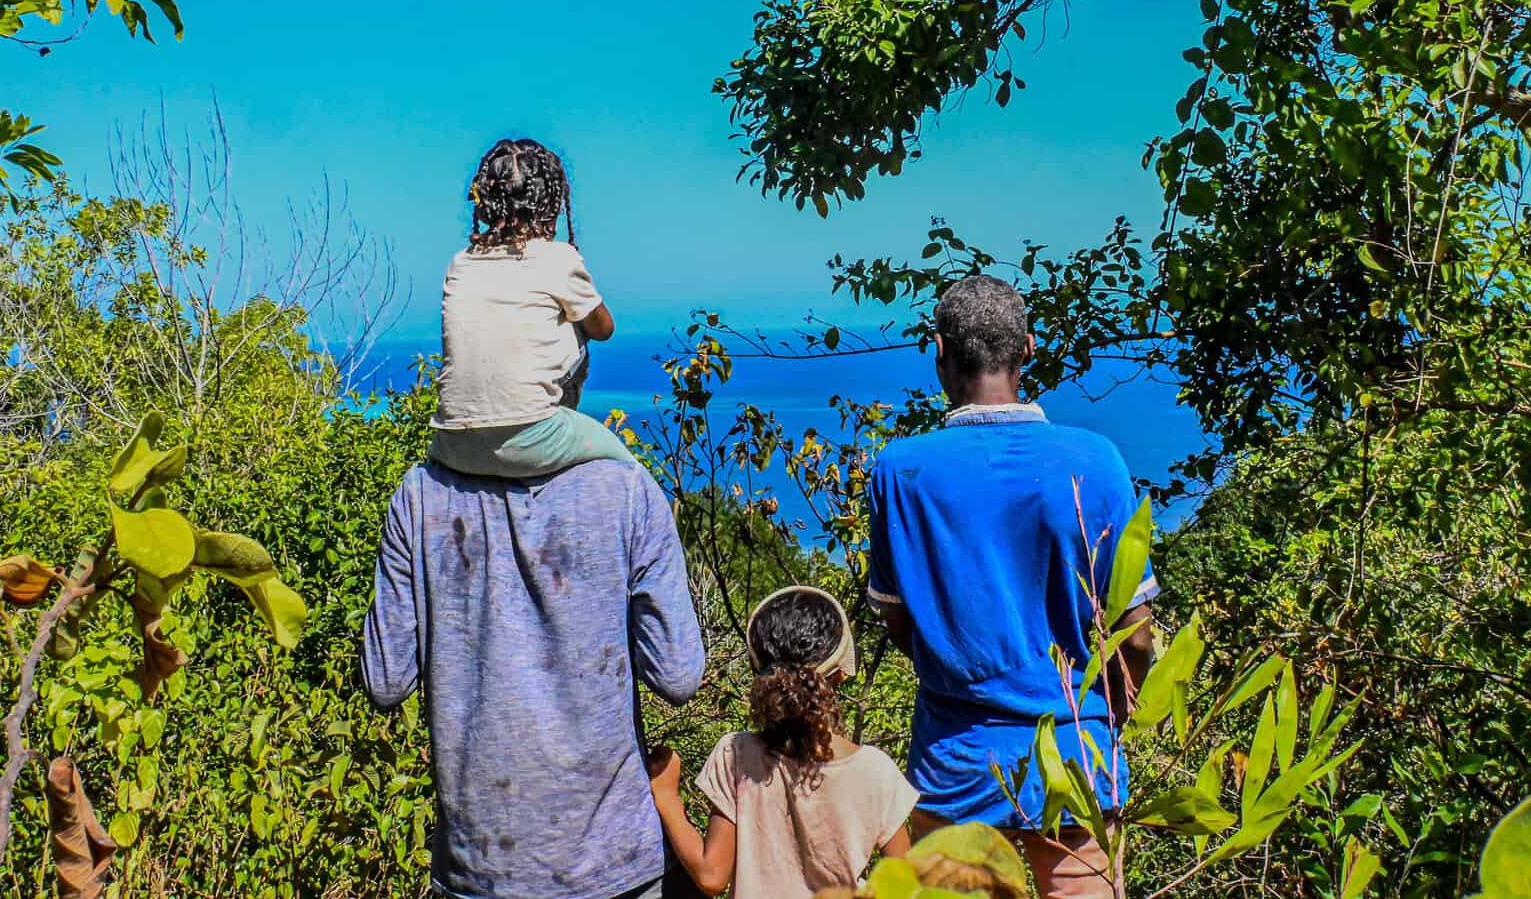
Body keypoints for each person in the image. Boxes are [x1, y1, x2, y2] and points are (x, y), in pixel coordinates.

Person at [864, 275, 1158, 899]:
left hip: (957, 756)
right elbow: (1136, 633)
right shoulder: (1096, 459)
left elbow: (899, 622)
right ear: (1028, 347)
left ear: (937, 350)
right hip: (1080, 750)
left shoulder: (901, 472)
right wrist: (1117, 711)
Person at [359, 429, 706, 897]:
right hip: (613, 860)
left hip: (478, 866)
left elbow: (385, 679)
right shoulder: (626, 488)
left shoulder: (420, 493)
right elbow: (677, 674)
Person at [646, 587, 917, 899]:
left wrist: (667, 797)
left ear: (756, 671)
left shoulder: (736, 754)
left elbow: (711, 876)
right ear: (842, 672)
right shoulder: (876, 771)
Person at [430, 136, 637, 477]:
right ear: (550, 202)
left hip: (452, 444)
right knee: (625, 468)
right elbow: (604, 329)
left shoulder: (460, 263)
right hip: (531, 439)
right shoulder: (557, 258)